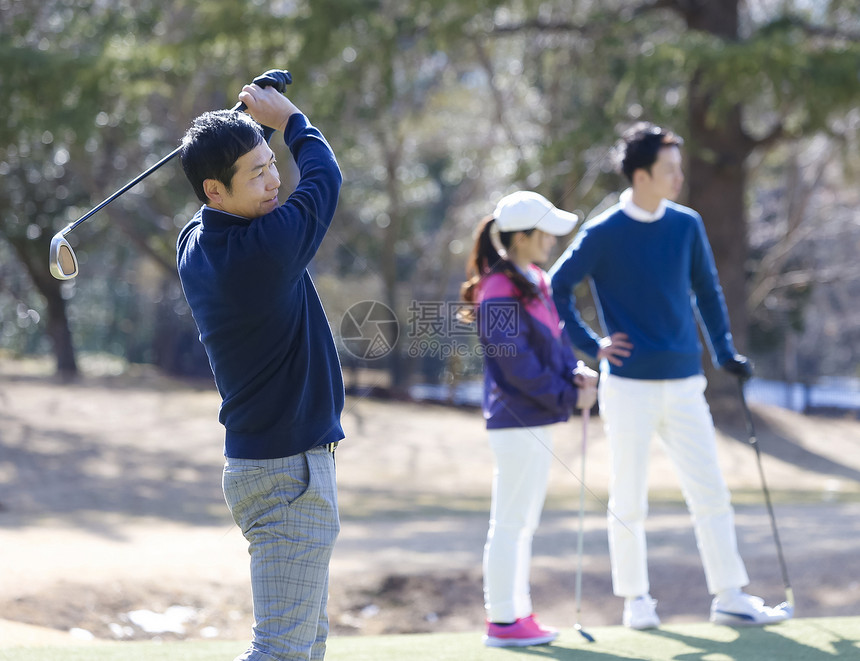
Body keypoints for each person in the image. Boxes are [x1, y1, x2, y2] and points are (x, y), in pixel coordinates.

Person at [549, 122, 791, 629]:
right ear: (640, 175)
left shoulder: (687, 225)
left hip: (685, 382)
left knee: (710, 492)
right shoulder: (604, 231)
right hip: (629, 385)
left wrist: (725, 352)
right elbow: (558, 287)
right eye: (669, 169)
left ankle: (730, 595)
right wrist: (592, 346)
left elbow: (708, 291)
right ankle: (636, 600)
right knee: (629, 496)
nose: (678, 177)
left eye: (679, 168)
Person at [176, 79, 344, 660]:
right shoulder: (267, 249)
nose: (275, 179)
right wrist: (292, 118)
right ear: (215, 191)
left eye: (273, 163)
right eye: (257, 173)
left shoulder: (195, 241)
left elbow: (239, 187)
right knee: (281, 650)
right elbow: (326, 179)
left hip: (271, 462)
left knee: (304, 646)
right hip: (286, 470)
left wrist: (246, 129)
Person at [460, 191, 598, 647]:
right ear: (521, 237)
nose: (551, 241)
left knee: (523, 522)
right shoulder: (497, 287)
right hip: (517, 421)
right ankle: (502, 619)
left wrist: (572, 374)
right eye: (545, 232)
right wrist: (564, 395)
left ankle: (517, 612)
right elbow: (512, 363)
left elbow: (550, 349)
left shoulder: (534, 277)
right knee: (511, 522)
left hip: (537, 418)